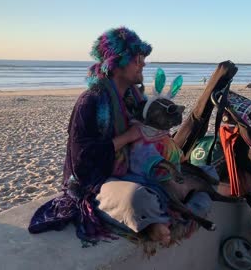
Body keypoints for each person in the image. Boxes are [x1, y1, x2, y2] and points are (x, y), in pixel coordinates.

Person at [28, 27, 212, 246]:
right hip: (99, 181)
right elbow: (81, 162)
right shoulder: (90, 101)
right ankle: (161, 220)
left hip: (136, 170)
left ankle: (163, 217)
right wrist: (128, 137)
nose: (143, 63)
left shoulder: (136, 100)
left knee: (205, 172)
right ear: (117, 63)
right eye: (138, 58)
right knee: (136, 199)